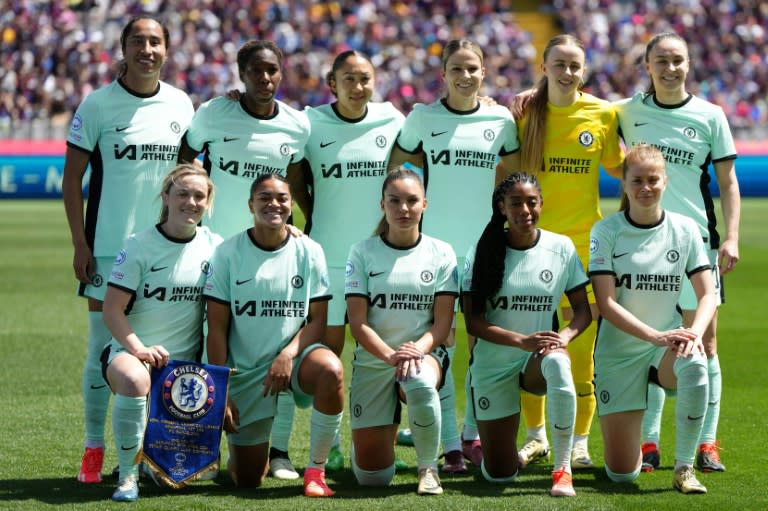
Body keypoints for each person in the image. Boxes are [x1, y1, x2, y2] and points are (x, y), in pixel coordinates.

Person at [62, 15, 195, 485]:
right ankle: (94, 448)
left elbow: (191, 180)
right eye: (138, 40)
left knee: (165, 350)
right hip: (108, 251)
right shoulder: (97, 105)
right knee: (103, 348)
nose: (147, 49)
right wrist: (81, 243)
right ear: (123, 47)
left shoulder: (182, 104)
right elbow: (71, 181)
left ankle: (158, 453)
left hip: (167, 252)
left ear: (166, 50)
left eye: (155, 41)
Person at [178, 40, 311, 480]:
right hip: (216, 249)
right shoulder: (214, 114)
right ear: (241, 73)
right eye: (256, 71)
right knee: (208, 341)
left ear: (282, 72)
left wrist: (299, 234)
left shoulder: (296, 125)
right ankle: (202, 447)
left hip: (272, 251)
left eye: (273, 70)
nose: (265, 79)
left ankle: (280, 452)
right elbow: (186, 160)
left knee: (278, 345)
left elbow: (297, 183)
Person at [388, 38, 520, 471]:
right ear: (443, 74)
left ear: (484, 72)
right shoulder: (423, 117)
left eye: (473, 68)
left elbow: (512, 180)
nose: (465, 76)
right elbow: (402, 168)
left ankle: (473, 435)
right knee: (440, 343)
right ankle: (449, 446)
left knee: (483, 345)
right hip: (436, 253)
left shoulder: (500, 119)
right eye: (457, 69)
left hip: (484, 251)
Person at [614, 32, 740, 473]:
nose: (670, 67)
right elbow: (579, 107)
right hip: (642, 246)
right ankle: (648, 443)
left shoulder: (711, 115)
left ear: (689, 64)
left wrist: (731, 237)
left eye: (678, 60)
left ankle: (707, 442)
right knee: (647, 343)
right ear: (647, 66)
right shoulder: (628, 111)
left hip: (696, 246)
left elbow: (727, 182)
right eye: (661, 60)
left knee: (705, 343)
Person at [286, 50, 405, 471]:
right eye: (349, 79)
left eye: (365, 78)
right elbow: (292, 170)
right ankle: (328, 446)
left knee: (384, 353)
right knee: (328, 354)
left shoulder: (393, 119)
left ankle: (381, 440)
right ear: (331, 84)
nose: (359, 87)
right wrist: (309, 211)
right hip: (329, 259)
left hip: (382, 261)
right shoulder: (309, 122)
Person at [514, 34, 624, 470]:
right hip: (531, 249)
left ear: (585, 70)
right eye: (558, 64)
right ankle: (536, 437)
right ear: (544, 68)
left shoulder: (603, 113)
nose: (567, 72)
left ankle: (579, 442)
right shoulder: (524, 114)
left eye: (575, 65)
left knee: (580, 354)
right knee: (532, 350)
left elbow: (619, 165)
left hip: (584, 250)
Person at [204, 173, 344, 497]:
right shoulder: (227, 253)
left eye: (281, 197)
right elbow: (218, 328)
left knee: (331, 370)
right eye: (264, 197)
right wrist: (221, 389)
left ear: (292, 203)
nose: (274, 204)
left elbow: (318, 321)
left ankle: (315, 472)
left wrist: (288, 354)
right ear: (250, 204)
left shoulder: (309, 250)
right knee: (248, 480)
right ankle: (244, 454)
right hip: (248, 372)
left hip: (295, 359)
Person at [589, 143, 716, 494]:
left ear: (665, 181)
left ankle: (685, 468)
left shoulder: (685, 229)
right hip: (618, 354)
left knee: (694, 362)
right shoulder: (606, 231)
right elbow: (606, 303)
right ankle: (634, 434)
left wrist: (693, 333)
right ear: (625, 185)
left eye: (653, 180)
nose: (646, 187)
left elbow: (708, 294)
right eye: (638, 180)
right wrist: (654, 336)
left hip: (664, 349)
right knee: (622, 474)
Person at [463, 172, 590, 497]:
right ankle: (503, 452)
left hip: (537, 361)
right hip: (493, 367)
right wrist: (520, 340)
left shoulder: (560, 248)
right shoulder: (482, 251)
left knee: (560, 363)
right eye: (515, 203)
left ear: (541, 204)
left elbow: (583, 311)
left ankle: (562, 470)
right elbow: (473, 322)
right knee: (499, 476)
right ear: (502, 208)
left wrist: (563, 337)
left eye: (531, 202)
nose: (524, 210)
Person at [101, 164, 221, 502]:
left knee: (180, 475)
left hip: (186, 374)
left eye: (199, 196)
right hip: (132, 356)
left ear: (208, 202)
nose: (191, 202)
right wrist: (139, 349)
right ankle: (127, 476)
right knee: (134, 380)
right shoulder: (139, 246)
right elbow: (111, 311)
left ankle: (152, 458)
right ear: (166, 197)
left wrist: (291, 232)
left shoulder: (216, 246)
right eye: (182, 194)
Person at [345, 168, 458, 495]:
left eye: (411, 201)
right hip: (376, 359)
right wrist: (391, 356)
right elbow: (358, 323)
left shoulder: (442, 253)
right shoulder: (362, 252)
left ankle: (428, 469)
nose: (404, 209)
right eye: (395, 201)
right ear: (382, 205)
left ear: (425, 204)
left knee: (419, 381)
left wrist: (415, 352)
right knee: (372, 479)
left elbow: (441, 325)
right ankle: (374, 436)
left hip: (422, 355)